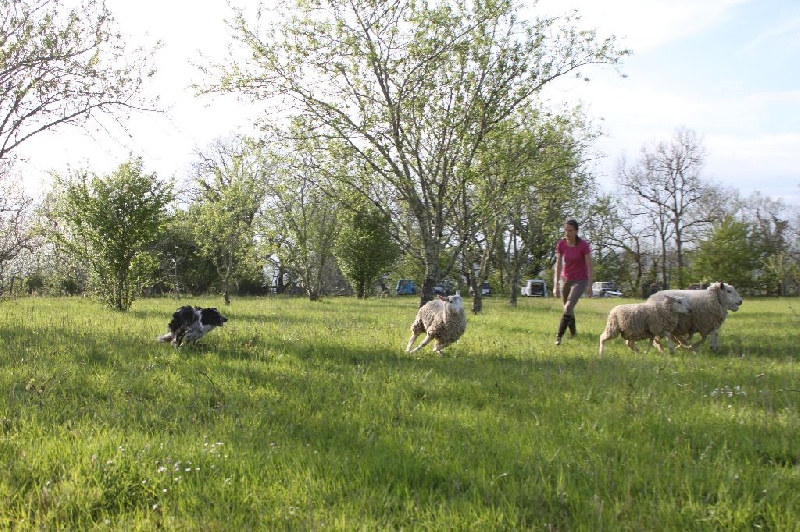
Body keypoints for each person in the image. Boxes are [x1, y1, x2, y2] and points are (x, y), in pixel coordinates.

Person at [553, 219, 593, 345]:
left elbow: (589, 266)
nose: (567, 233)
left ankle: (559, 336)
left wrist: (590, 286)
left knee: (569, 306)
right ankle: (574, 333)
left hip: (580, 280)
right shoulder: (561, 244)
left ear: (576, 231)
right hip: (566, 279)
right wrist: (555, 285)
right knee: (568, 309)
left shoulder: (583, 245)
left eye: (570, 230)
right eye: (565, 230)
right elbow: (558, 264)